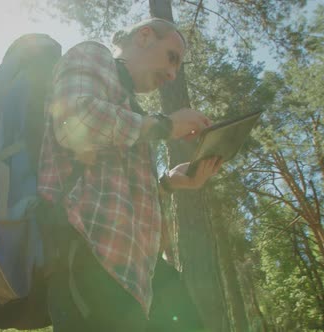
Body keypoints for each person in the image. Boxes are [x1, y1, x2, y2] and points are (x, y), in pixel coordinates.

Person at [37, 18, 223, 331]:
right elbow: (74, 121)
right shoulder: (92, 55)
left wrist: (169, 183)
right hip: (88, 260)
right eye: (171, 58)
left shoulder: (134, 114)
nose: (173, 74)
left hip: (140, 280)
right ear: (145, 36)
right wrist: (164, 126)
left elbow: (121, 195)